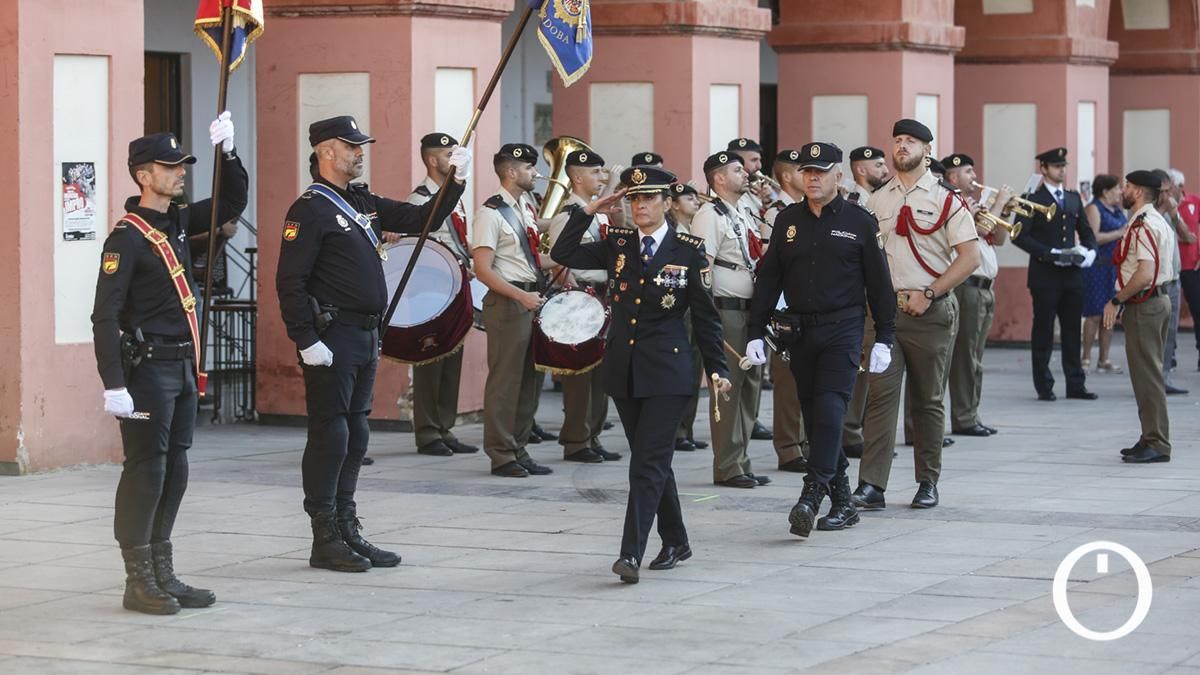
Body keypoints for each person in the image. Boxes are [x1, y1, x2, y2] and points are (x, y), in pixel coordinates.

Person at [276, 115, 470, 572]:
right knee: (331, 433)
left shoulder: (360, 200)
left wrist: (454, 181)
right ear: (326, 151)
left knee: (356, 432)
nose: (360, 152)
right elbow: (290, 282)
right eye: (351, 146)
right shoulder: (310, 209)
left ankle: (348, 527)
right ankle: (324, 535)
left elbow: (421, 219)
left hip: (365, 332)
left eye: (361, 145)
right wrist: (306, 339)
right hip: (331, 335)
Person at [92, 114, 247, 613]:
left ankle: (162, 571)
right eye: (171, 166)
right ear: (143, 175)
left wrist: (230, 154)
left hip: (181, 368)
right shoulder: (127, 238)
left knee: (175, 469)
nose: (181, 173)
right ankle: (137, 580)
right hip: (147, 372)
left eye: (183, 165)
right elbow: (104, 315)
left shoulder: (175, 222)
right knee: (146, 471)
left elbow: (230, 203)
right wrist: (113, 383)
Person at [551, 166, 731, 583]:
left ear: (668, 203)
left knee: (646, 465)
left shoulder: (688, 250)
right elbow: (562, 254)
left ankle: (629, 554)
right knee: (654, 462)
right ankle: (677, 540)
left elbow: (705, 318)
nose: (640, 205)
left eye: (649, 198)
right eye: (634, 198)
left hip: (668, 372)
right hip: (625, 370)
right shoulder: (617, 243)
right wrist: (589, 211)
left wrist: (718, 369)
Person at [745, 142, 896, 536]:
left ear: (838, 177)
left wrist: (885, 336)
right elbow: (770, 276)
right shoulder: (787, 220)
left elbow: (879, 283)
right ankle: (844, 502)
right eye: (807, 171)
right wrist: (754, 330)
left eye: (821, 172)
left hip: (843, 327)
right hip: (799, 331)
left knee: (831, 407)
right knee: (815, 416)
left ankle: (811, 493)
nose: (812, 178)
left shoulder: (859, 221)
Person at [852, 119, 980, 511]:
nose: (902, 147)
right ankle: (872, 484)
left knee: (927, 400)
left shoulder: (946, 198)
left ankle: (927, 481)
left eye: (910, 141)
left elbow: (970, 257)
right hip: (886, 314)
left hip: (931, 311)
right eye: (897, 141)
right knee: (880, 398)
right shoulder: (878, 199)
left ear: (927, 148)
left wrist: (931, 291)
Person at [471, 143, 557, 478]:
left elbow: (532, 260)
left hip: (529, 299)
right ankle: (501, 454)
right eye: (529, 167)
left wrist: (562, 259)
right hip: (509, 303)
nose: (535, 173)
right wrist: (521, 298)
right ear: (510, 171)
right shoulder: (490, 213)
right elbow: (483, 270)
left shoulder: (526, 208)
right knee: (506, 382)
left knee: (530, 381)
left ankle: (519, 448)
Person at [691, 151, 769, 488]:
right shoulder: (709, 214)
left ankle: (741, 460)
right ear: (719, 178)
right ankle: (727, 465)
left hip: (749, 311)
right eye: (738, 170)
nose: (746, 174)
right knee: (728, 389)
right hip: (726, 310)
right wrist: (707, 317)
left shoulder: (741, 212)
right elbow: (701, 266)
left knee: (750, 389)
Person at [407, 132, 480, 457]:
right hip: (430, 290)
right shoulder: (419, 198)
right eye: (449, 154)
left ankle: (445, 427)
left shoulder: (455, 197)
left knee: (452, 357)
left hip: (457, 285)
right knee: (429, 359)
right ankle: (427, 432)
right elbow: (416, 249)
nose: (456, 159)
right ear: (433, 160)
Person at [547, 148, 621, 463]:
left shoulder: (599, 214)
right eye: (595, 173)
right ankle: (577, 440)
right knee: (580, 374)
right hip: (580, 297)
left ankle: (592, 434)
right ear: (577, 177)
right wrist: (575, 294)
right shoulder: (567, 215)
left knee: (599, 372)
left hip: (603, 296)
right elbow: (557, 260)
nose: (601, 178)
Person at [1012, 147, 1099, 401]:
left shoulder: (1072, 198)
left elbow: (1085, 230)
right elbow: (1018, 235)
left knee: (1073, 329)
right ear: (1044, 169)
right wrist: (1048, 253)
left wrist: (1091, 252)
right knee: (1044, 330)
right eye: (1057, 166)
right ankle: (1044, 385)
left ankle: (1075, 384)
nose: (1062, 170)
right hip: (1045, 275)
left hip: (1071, 274)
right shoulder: (1032, 198)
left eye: (1064, 165)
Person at [1104, 171, 1176, 463]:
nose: (1123, 190)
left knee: (1147, 376)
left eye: (1128, 186)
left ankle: (1157, 442)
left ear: (1138, 192)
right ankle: (1149, 435)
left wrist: (1116, 300)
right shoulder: (1154, 219)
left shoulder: (1144, 224)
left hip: (1144, 305)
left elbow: (1144, 273)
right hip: (1155, 302)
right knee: (1147, 373)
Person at [943, 153, 1008, 437]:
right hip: (967, 287)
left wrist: (1003, 212)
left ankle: (971, 413)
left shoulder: (977, 206)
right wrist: (1000, 203)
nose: (974, 176)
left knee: (976, 356)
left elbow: (1001, 239)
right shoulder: (956, 204)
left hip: (985, 289)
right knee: (965, 357)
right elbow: (977, 231)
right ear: (954, 177)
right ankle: (964, 417)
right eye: (968, 171)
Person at [761, 149, 813, 473]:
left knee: (808, 380)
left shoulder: (810, 210)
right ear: (787, 176)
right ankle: (789, 448)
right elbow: (772, 266)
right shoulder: (776, 213)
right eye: (801, 170)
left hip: (809, 304)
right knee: (788, 382)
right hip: (784, 306)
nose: (809, 176)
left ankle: (806, 442)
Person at [842, 146, 889, 458]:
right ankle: (850, 432)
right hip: (858, 295)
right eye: (878, 165)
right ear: (861, 170)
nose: (885, 170)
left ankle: (861, 429)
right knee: (857, 367)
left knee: (873, 366)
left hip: (877, 289)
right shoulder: (854, 203)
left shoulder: (884, 199)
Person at [727, 137, 774, 442]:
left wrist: (768, 203)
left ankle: (743, 439)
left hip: (752, 299)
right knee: (735, 378)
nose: (755, 169)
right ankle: (730, 456)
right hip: (729, 303)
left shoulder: (751, 202)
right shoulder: (719, 209)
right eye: (751, 162)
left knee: (752, 376)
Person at [668, 182, 710, 452]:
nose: (695, 201)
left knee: (694, 370)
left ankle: (686, 428)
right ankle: (675, 431)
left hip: (693, 308)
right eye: (688, 197)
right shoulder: (670, 233)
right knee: (678, 371)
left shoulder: (693, 231)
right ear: (672, 204)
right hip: (676, 310)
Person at [1082, 174, 1128, 373]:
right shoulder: (1094, 208)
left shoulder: (1118, 211)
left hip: (1113, 268)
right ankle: (1085, 358)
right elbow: (1093, 237)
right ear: (1106, 191)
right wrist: (1119, 234)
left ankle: (1104, 359)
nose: (1120, 192)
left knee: (1110, 313)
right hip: (1097, 267)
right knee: (1093, 314)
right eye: (1117, 188)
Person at [1155, 169, 1193, 395]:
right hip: (1156, 280)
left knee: (1170, 333)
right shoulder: (1146, 212)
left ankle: (1164, 376)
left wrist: (1174, 214)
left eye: (1171, 190)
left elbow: (1187, 236)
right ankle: (1150, 379)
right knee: (1153, 334)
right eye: (1165, 191)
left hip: (1174, 277)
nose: (1170, 195)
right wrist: (1163, 210)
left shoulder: (1170, 211)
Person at [1171, 169, 1200, 372]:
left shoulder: (1194, 202)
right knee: (1169, 312)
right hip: (1170, 266)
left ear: (1180, 186)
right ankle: (1168, 356)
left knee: (1198, 309)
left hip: (1192, 264)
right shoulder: (1161, 207)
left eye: (1169, 185)